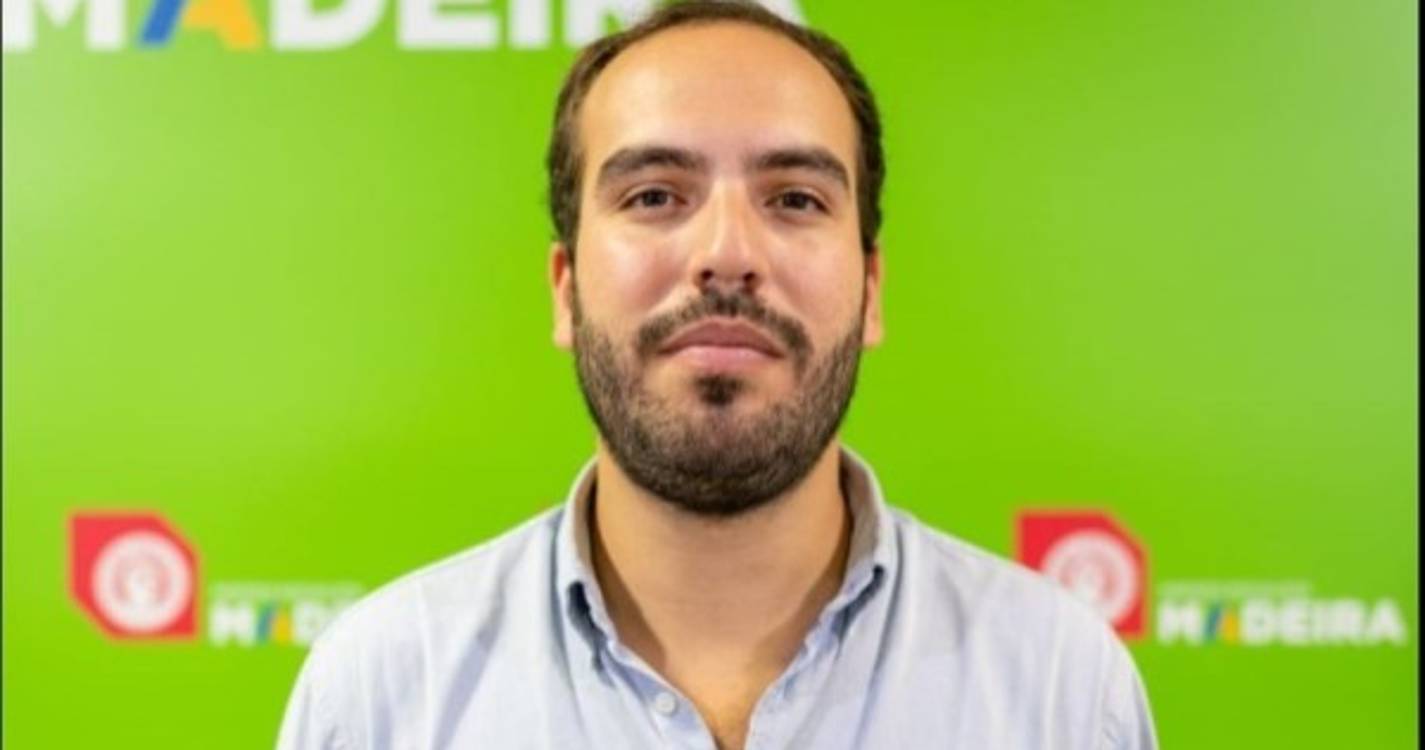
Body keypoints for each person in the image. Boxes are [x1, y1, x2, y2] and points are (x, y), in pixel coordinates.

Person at [276, 2, 1158, 748]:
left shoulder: (1060, 690)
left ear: (871, 290)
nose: (727, 252)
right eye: (654, 195)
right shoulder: (384, 695)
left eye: (794, 199)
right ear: (565, 289)